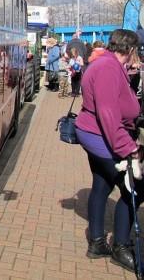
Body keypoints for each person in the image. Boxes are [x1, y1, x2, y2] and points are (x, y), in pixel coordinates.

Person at [75, 29, 143, 271]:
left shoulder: (109, 64)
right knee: (133, 189)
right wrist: (129, 149)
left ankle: (96, 243)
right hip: (99, 136)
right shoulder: (107, 68)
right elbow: (107, 114)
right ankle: (120, 247)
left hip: (98, 134)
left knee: (102, 184)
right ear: (131, 49)